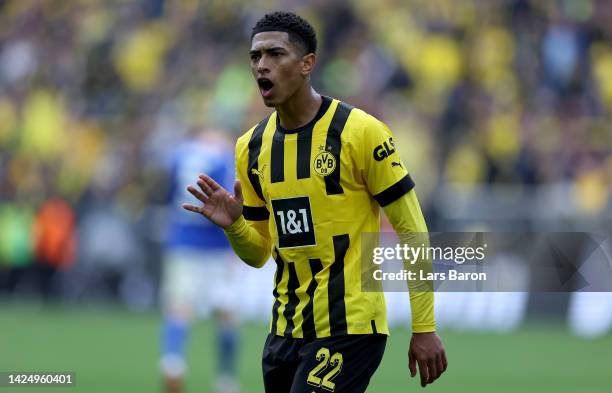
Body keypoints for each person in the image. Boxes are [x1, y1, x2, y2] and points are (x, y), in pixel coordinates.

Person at [183, 12, 447, 392]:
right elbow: (258, 253)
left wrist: (424, 327)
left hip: (350, 327)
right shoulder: (251, 148)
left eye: (275, 54)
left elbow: (412, 230)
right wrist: (236, 226)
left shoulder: (361, 132)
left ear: (307, 64)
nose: (262, 65)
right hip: (284, 333)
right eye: (256, 56)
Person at [161, 129, 240, 393]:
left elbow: (167, 190)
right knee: (226, 313)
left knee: (179, 309)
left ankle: (173, 364)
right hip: (216, 245)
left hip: (183, 240)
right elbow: (230, 201)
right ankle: (226, 379)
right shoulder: (223, 158)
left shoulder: (179, 154)